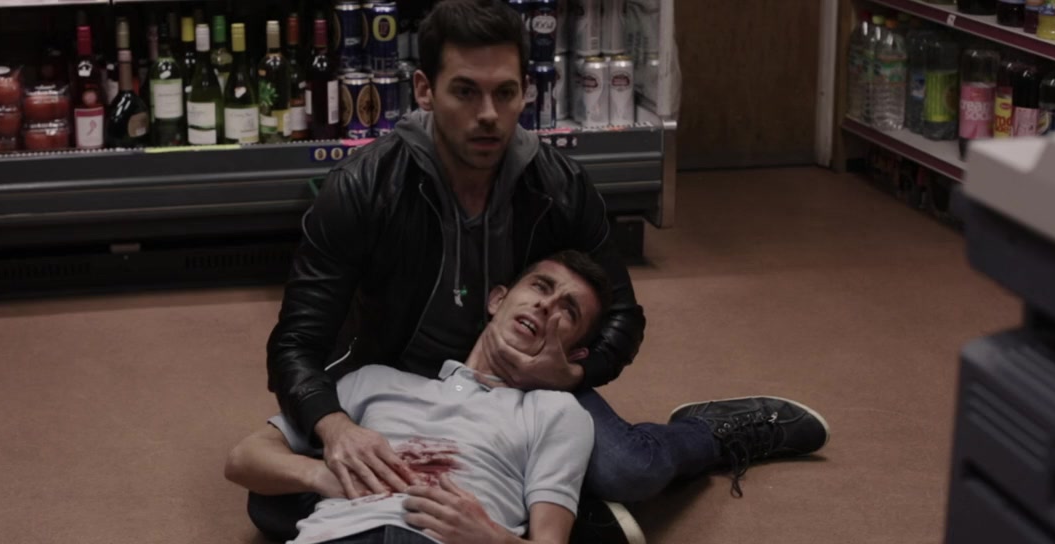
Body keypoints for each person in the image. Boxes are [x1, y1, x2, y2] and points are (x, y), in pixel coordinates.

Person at [258, 0, 830, 541]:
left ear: (525, 91)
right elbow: (295, 343)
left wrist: (572, 374)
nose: (489, 115)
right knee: (271, 500)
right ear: (425, 90)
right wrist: (335, 427)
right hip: (400, 382)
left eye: (505, 93)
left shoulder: (559, 184)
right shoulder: (363, 188)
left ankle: (710, 432)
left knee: (628, 469)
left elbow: (624, 316)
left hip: (522, 388)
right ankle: (561, 509)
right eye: (466, 92)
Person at [227, 252, 609, 543]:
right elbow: (243, 459)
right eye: (540, 286)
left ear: (575, 354)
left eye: (568, 311)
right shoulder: (374, 380)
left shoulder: (558, 412)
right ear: (497, 300)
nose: (546, 305)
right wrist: (320, 476)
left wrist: (493, 538)